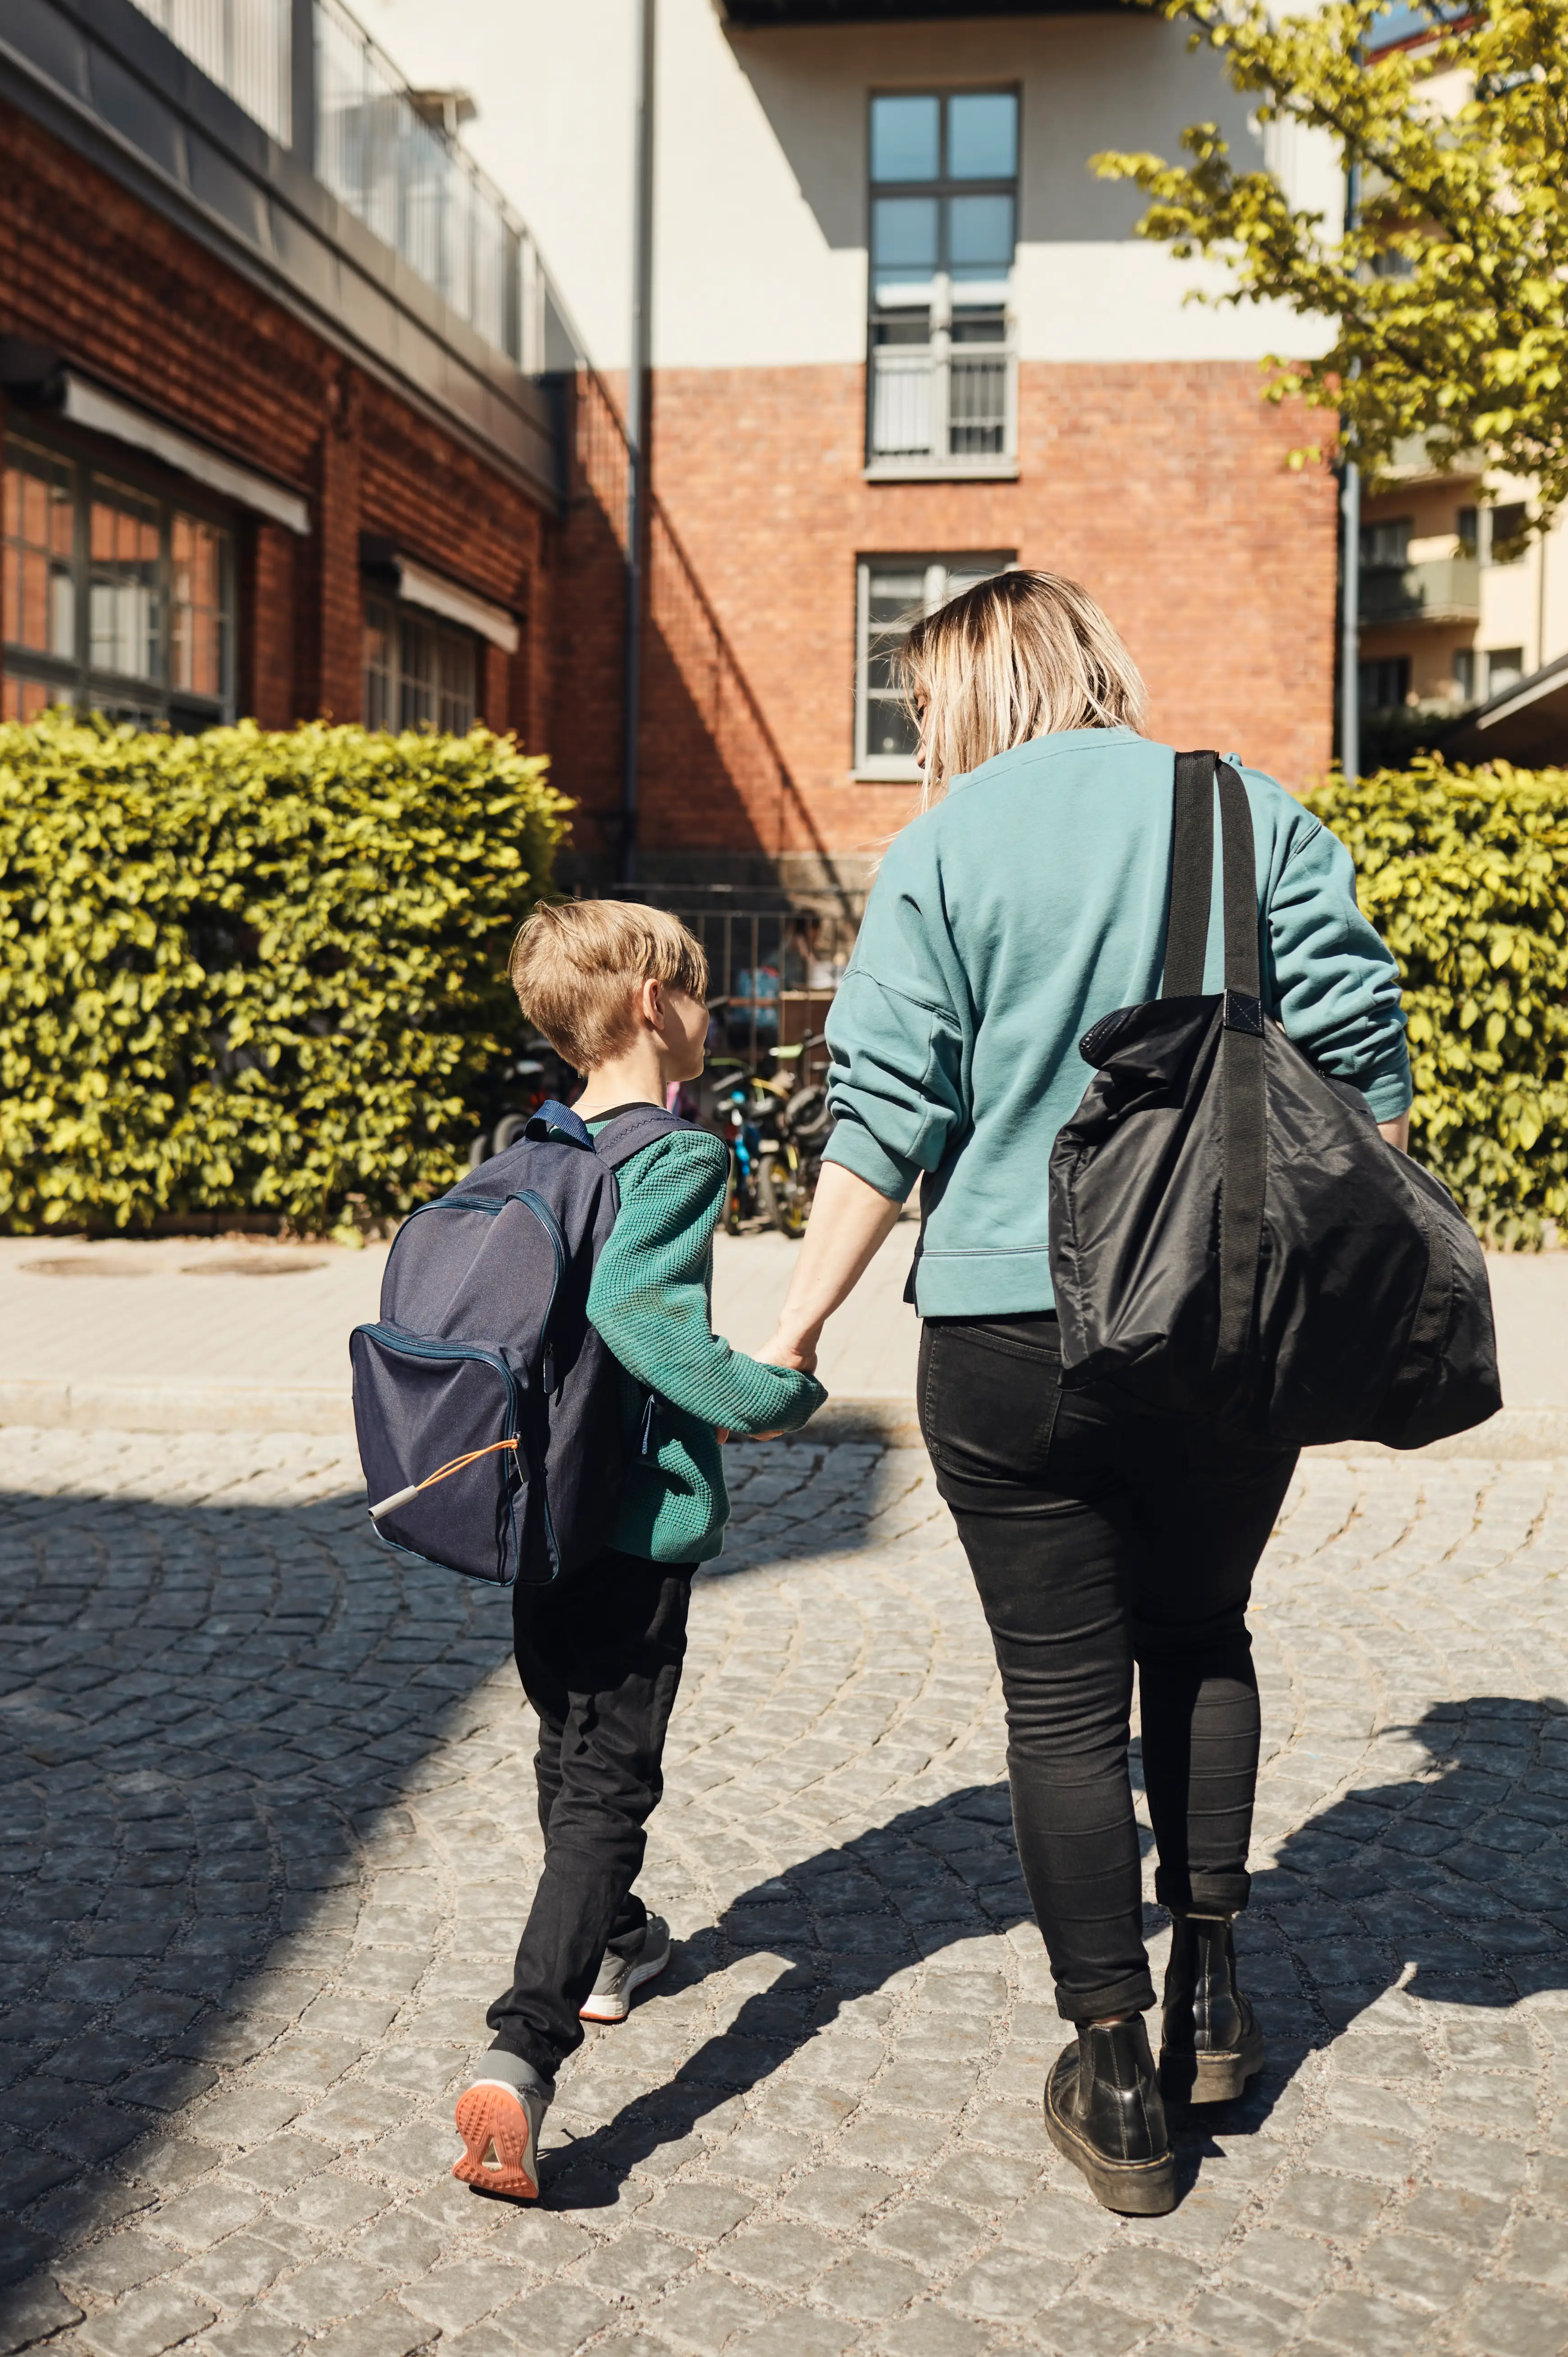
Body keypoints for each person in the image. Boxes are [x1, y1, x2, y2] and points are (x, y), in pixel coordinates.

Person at [757, 570, 1410, 2217]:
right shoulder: (1252, 813)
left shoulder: (952, 849)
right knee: (1203, 1639)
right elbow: (1365, 1072)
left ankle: (1115, 2082)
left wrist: (795, 1325)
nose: (921, 742)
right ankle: (1217, 2004)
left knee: (1061, 1704)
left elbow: (884, 1115)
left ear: (973, 698)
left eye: (925, 712)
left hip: (1007, 1330)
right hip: (1222, 1328)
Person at [453, 900, 825, 2202]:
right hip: (628, 1517)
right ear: (651, 1007)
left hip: (529, 1511)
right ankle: (526, 2046)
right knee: (611, 1775)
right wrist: (769, 1393)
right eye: (703, 992)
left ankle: (618, 1939)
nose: (712, 1012)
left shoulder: (537, 1146)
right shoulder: (676, 1153)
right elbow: (634, 1313)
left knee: (565, 1741)